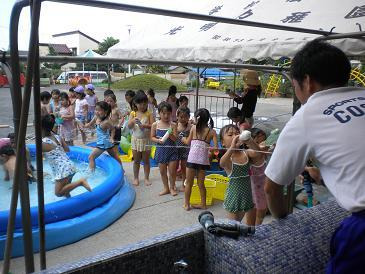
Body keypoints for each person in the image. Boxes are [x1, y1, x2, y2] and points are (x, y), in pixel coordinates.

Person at [263, 40, 365, 272]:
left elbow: (272, 186)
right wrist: (324, 175)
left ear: (307, 81)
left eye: (294, 85)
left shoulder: (308, 115)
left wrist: (283, 218)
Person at [219, 125, 262, 224]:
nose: (235, 136)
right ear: (223, 142)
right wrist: (232, 147)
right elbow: (222, 163)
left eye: (237, 133)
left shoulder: (245, 153)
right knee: (234, 226)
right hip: (234, 198)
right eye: (230, 135)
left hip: (248, 196)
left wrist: (249, 141)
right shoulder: (228, 159)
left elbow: (258, 152)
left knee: (251, 228)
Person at [41, 114, 91, 197]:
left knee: (58, 193)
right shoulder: (57, 137)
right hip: (69, 165)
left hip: (63, 169)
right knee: (66, 191)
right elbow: (67, 149)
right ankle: (71, 204)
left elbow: (40, 156)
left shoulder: (43, 143)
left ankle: (80, 182)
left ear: (41, 128)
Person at [182, 108, 218, 211]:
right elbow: (216, 148)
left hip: (192, 159)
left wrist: (182, 138)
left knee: (188, 182)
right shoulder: (212, 132)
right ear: (207, 119)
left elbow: (187, 142)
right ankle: (203, 204)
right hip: (203, 161)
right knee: (201, 184)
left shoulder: (193, 128)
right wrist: (210, 149)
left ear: (197, 119)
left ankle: (186, 204)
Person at [84, 101, 122, 171]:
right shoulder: (96, 117)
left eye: (99, 110)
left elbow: (113, 129)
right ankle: (122, 170)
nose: (97, 112)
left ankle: (91, 174)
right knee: (115, 157)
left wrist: (112, 138)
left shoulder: (107, 122)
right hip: (105, 142)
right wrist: (84, 125)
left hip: (103, 143)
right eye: (96, 109)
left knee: (91, 157)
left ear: (105, 111)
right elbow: (89, 124)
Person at [151, 102, 178, 196]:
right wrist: (158, 140)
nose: (166, 116)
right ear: (159, 113)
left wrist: (170, 135)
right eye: (164, 113)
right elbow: (152, 137)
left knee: (172, 171)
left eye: (168, 113)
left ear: (171, 113)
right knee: (162, 171)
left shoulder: (173, 125)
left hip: (172, 151)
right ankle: (166, 188)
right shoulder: (155, 124)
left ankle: (172, 187)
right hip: (161, 150)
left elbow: (175, 139)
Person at [128, 92, 154, 186]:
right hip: (135, 140)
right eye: (140, 104)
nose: (142, 106)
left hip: (146, 140)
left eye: (144, 103)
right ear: (135, 103)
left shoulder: (149, 114)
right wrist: (132, 121)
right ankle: (136, 178)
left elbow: (153, 126)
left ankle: (146, 178)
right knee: (136, 161)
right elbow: (129, 126)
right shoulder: (133, 113)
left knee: (146, 160)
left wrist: (145, 126)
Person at [249, 128, 268, 225]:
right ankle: (254, 229)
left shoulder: (264, 153)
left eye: (263, 141)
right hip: (253, 189)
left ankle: (257, 228)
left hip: (262, 189)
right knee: (255, 211)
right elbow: (256, 152)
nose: (262, 144)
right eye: (257, 142)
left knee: (261, 212)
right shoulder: (252, 153)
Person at [175, 107, 191, 191]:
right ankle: (173, 184)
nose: (183, 119)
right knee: (174, 167)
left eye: (185, 117)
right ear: (177, 116)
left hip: (186, 150)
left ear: (189, 117)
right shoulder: (175, 125)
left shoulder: (190, 126)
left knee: (184, 168)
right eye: (181, 117)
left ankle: (184, 185)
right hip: (176, 149)